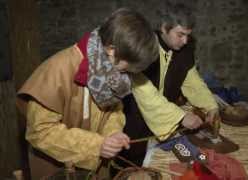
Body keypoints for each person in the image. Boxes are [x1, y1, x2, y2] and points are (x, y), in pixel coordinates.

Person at [16, 8, 158, 179]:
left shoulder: (110, 69)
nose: (127, 74)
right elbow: (40, 132)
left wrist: (113, 134)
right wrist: (96, 146)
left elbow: (114, 110)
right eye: (127, 68)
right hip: (57, 170)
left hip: (95, 168)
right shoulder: (57, 70)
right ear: (112, 50)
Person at [117, 3, 220, 169]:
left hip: (165, 119)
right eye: (180, 35)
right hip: (136, 120)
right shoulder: (142, 47)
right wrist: (180, 117)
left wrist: (210, 106)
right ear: (164, 28)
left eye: (188, 35)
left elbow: (192, 80)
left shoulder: (184, 50)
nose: (185, 41)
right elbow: (145, 93)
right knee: (131, 165)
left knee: (159, 167)